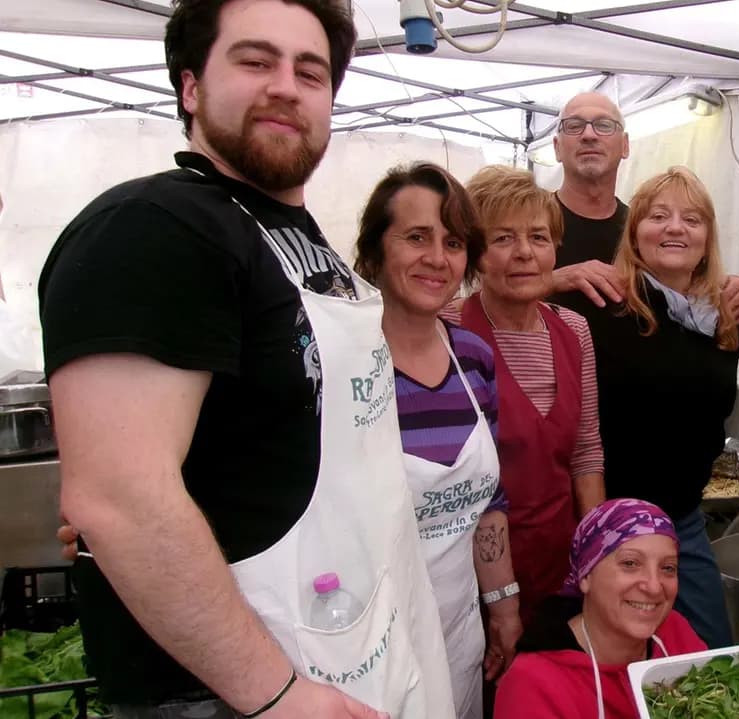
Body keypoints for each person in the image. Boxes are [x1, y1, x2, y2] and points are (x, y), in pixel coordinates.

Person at [38, 1, 453, 718]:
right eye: (256, 61)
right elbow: (118, 499)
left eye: (311, 71)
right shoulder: (156, 227)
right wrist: (279, 694)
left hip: (346, 653)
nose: (287, 86)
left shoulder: (289, 235)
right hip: (230, 693)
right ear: (190, 85)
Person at [558, 166, 739, 649]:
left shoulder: (719, 318)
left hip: (682, 523)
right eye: (658, 216)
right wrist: (556, 276)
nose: (675, 227)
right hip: (607, 521)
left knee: (710, 653)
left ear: (708, 238)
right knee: (616, 657)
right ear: (635, 234)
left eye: (692, 219)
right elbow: (501, 299)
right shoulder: (602, 303)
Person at [349, 162, 518, 718]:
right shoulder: (343, 362)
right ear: (375, 253)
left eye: (452, 242)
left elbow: (488, 503)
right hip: (366, 640)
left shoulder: (473, 358)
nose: (436, 258)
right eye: (416, 237)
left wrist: (502, 604)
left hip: (456, 627)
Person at [445, 165, 605, 628]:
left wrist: (594, 549)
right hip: (474, 573)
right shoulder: (448, 329)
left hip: (560, 560)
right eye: (502, 239)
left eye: (538, 237)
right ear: (476, 253)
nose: (523, 253)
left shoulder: (574, 330)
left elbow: (586, 452)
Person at [547, 92, 739, 324]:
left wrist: (731, 287)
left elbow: (684, 291)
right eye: (574, 126)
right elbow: (497, 293)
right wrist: (554, 280)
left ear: (625, 146)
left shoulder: (644, 231)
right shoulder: (529, 222)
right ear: (557, 147)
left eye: (604, 125)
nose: (588, 135)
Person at [493, 499, 706, 719]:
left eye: (668, 568)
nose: (653, 586)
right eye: (630, 564)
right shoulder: (533, 684)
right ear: (585, 575)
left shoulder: (675, 632)